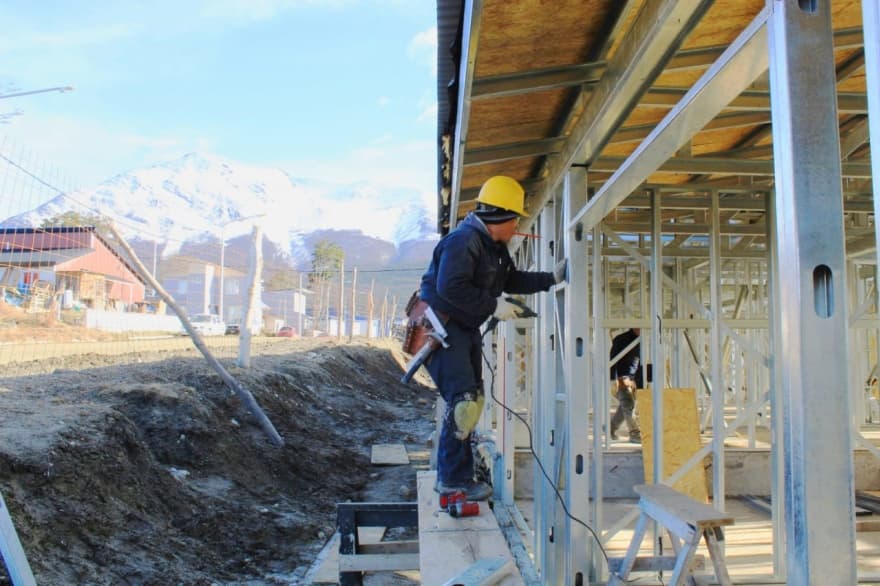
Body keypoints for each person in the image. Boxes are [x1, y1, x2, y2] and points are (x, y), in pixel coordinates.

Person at [419, 175, 567, 501]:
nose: (517, 226)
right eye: (515, 219)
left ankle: (457, 475)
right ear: (500, 216)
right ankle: (453, 482)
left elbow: (510, 279)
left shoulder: (493, 247)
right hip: (442, 330)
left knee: (473, 403)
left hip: (463, 330)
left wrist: (549, 279)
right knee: (464, 404)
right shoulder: (463, 242)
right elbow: (451, 287)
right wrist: (494, 306)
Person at [609, 327, 642, 442]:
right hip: (622, 378)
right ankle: (634, 433)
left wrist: (639, 383)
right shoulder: (621, 339)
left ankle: (611, 428)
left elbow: (639, 362)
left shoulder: (641, 339)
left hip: (632, 379)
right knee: (628, 405)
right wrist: (615, 379)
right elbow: (613, 360)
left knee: (624, 408)